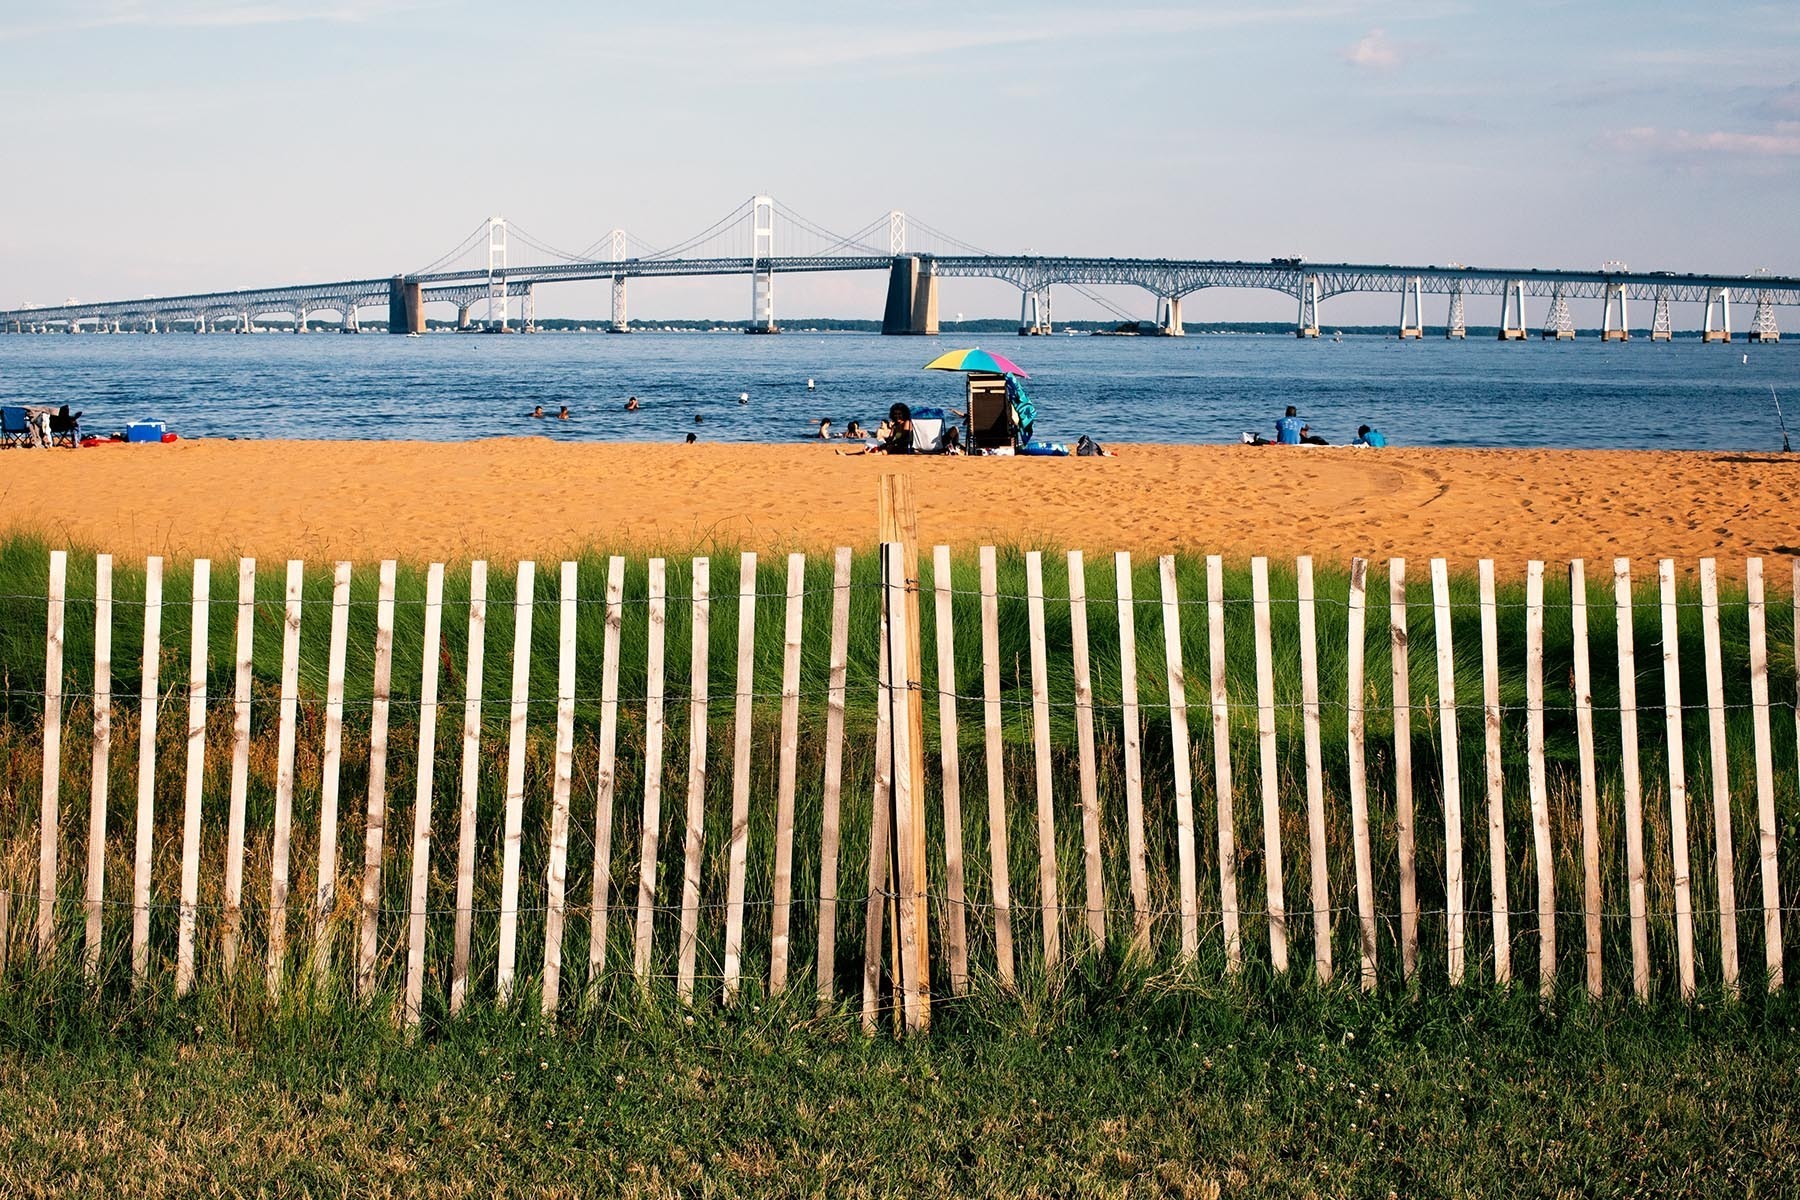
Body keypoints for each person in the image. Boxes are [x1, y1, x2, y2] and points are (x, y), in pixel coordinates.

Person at [837, 403, 915, 456]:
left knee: (890, 447)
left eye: (899, 415)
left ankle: (872, 455)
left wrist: (892, 441)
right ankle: (850, 454)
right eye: (896, 415)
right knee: (876, 445)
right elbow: (892, 438)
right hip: (896, 444)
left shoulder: (907, 423)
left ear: (904, 414)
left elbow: (903, 437)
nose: (897, 417)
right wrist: (889, 433)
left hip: (906, 447)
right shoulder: (896, 425)